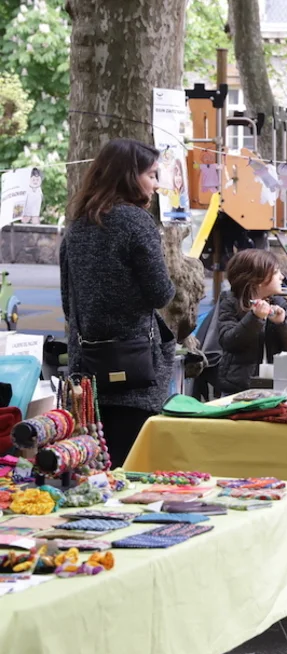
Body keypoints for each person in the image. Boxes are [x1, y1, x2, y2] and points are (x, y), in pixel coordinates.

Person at [60, 138, 176, 466]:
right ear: (129, 176)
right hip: (135, 369)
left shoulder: (77, 225)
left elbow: (69, 304)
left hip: (89, 373)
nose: (156, 184)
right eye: (151, 175)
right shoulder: (136, 222)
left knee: (95, 470)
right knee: (134, 470)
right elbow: (161, 293)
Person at [215, 249, 287, 394]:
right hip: (238, 388)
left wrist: (283, 323)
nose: (282, 277)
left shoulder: (280, 304)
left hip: (277, 385)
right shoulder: (231, 302)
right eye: (276, 272)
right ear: (258, 279)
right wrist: (255, 318)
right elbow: (229, 342)